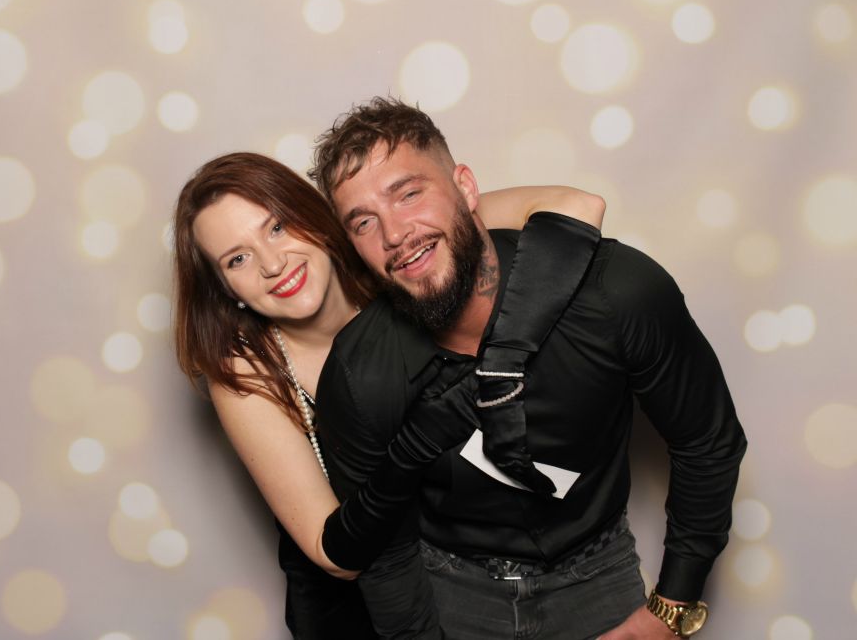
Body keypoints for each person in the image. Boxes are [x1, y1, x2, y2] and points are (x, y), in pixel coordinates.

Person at [309, 97, 748, 639]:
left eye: (409, 194)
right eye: (363, 222)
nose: (394, 233)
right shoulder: (359, 372)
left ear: (466, 187)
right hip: (450, 586)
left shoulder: (614, 294)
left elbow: (706, 441)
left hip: (598, 571)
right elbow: (385, 551)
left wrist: (670, 609)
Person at [173, 151, 606, 638]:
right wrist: (415, 444)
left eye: (277, 228)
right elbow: (336, 559)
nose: (272, 264)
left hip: (473, 572)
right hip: (355, 609)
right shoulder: (246, 370)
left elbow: (577, 205)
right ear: (225, 288)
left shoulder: (390, 250)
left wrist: (507, 354)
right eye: (237, 259)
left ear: (312, 217)